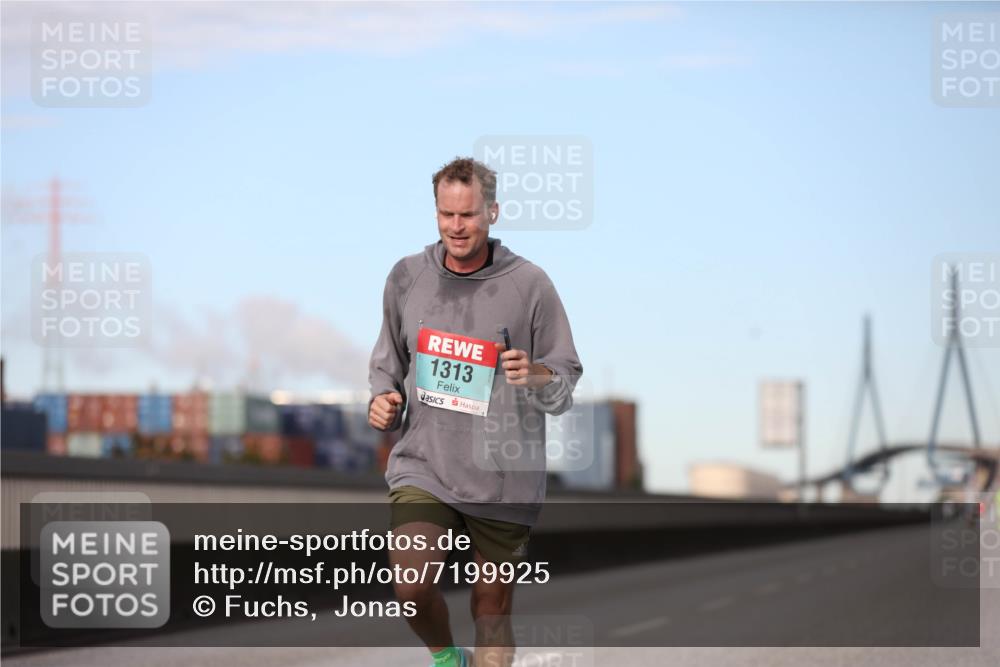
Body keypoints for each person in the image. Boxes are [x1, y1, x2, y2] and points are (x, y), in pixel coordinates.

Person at [368, 157, 583, 667]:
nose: (456, 227)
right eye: (446, 215)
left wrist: (536, 375)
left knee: (491, 608)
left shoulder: (529, 285)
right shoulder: (406, 278)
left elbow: (565, 378)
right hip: (426, 463)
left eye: (467, 216)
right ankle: (447, 657)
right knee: (410, 585)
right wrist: (381, 399)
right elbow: (386, 364)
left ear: (492, 212)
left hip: (504, 474)